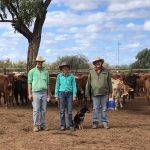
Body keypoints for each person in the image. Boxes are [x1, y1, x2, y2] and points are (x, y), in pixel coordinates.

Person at [85, 57, 112, 129]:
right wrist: (87, 92)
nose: (97, 63)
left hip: (104, 93)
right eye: (96, 62)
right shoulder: (91, 71)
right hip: (95, 93)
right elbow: (88, 82)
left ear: (101, 62)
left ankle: (105, 123)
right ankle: (95, 123)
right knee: (95, 108)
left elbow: (109, 82)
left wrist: (111, 91)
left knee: (104, 109)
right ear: (94, 64)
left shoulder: (106, 71)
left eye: (99, 62)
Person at [28, 56, 51, 132]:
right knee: (36, 110)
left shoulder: (46, 72)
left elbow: (48, 84)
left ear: (42, 62)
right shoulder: (32, 71)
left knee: (43, 110)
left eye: (41, 62)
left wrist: (48, 94)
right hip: (35, 92)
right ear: (36, 62)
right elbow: (29, 83)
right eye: (38, 61)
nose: (40, 63)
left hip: (44, 92)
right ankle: (35, 126)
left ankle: (42, 125)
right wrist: (30, 93)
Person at [55, 62, 77, 131]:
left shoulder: (71, 76)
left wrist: (74, 95)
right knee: (62, 111)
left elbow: (74, 86)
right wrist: (56, 95)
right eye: (63, 67)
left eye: (66, 67)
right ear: (61, 69)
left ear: (68, 68)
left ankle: (70, 125)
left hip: (69, 94)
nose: (65, 68)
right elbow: (57, 85)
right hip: (61, 93)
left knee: (69, 111)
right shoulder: (59, 76)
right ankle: (62, 125)